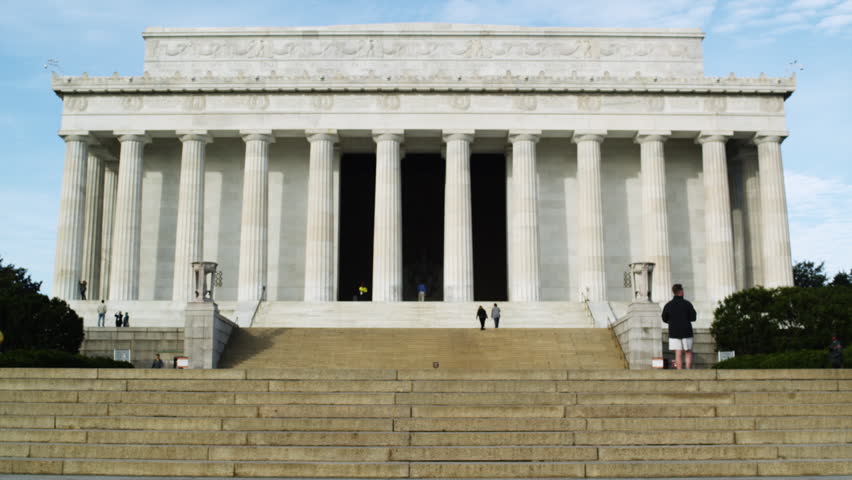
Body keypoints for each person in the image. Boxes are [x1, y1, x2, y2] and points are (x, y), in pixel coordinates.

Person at [661, 283, 697, 370]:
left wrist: (671, 322)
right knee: (688, 352)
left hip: (674, 331)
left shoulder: (668, 305)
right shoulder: (687, 304)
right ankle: (688, 371)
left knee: (678, 353)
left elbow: (664, 318)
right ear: (681, 292)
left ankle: (679, 372)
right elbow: (693, 317)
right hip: (686, 331)